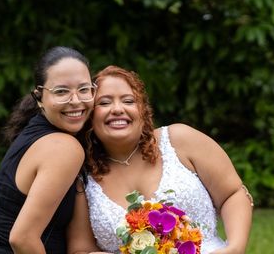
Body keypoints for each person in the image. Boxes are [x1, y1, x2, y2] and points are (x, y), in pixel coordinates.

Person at [67, 65, 253, 254]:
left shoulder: (180, 140)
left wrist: (234, 248)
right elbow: (80, 249)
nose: (117, 109)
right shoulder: (82, 176)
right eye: (104, 103)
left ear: (143, 110)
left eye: (129, 101)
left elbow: (233, 194)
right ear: (90, 115)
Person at [0, 46, 97, 254]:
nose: (76, 100)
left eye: (84, 89)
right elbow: (22, 239)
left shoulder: (37, 132)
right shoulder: (64, 148)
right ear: (40, 97)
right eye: (61, 91)